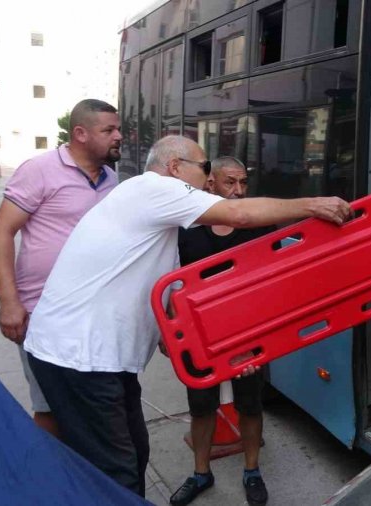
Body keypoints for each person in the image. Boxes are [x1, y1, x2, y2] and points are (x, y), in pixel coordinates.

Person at [23, 135, 351, 497]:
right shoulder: (154, 189)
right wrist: (312, 204)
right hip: (78, 358)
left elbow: (177, 298)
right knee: (116, 470)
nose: (209, 180)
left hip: (99, 360)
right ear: (176, 167)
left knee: (133, 455)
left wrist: (230, 354)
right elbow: (239, 215)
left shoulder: (161, 221)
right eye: (205, 168)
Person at [0, 99, 121, 437]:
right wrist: (9, 303)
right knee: (50, 410)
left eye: (117, 129)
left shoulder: (110, 179)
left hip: (91, 316)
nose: (118, 136)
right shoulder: (40, 170)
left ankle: (76, 477)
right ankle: (45, 482)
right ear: (80, 134)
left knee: (86, 408)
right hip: (42, 314)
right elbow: (1, 232)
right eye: (108, 130)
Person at [169, 156, 274, 506]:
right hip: (199, 334)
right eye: (230, 182)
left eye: (244, 183)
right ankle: (201, 473)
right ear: (210, 184)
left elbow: (272, 284)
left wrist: (260, 341)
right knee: (201, 407)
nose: (239, 191)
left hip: (247, 331)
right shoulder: (187, 225)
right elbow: (171, 282)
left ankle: (252, 471)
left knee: (250, 405)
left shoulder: (256, 225)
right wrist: (168, 333)